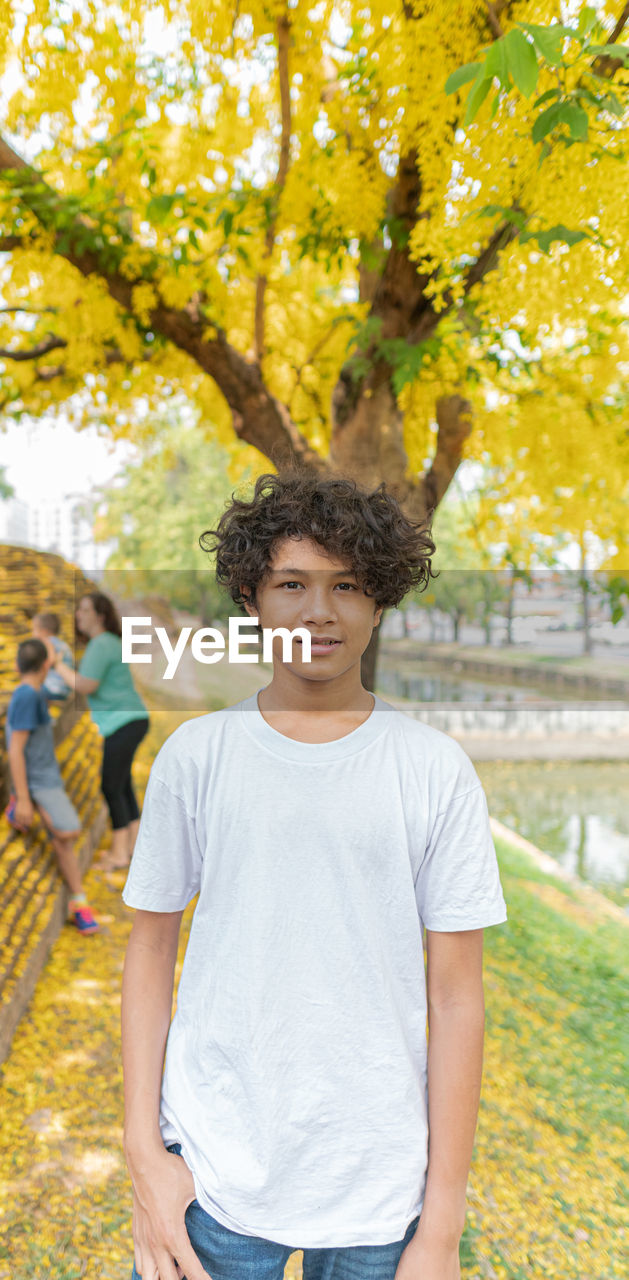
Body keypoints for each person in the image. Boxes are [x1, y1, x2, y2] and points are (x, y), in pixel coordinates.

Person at [120, 473, 507, 1280]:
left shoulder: (433, 770)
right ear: (250, 598)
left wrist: (441, 1224)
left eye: (347, 586)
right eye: (290, 583)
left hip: (380, 1193)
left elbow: (456, 996)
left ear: (379, 602)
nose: (317, 611)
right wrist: (143, 1157)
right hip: (213, 1181)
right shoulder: (197, 758)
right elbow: (151, 953)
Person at [5, 637, 99, 935]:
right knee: (67, 831)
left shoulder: (35, 693)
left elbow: (62, 690)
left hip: (48, 779)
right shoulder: (26, 697)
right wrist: (23, 798)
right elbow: (15, 748)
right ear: (46, 664)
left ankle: (79, 902)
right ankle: (79, 902)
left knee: (64, 842)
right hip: (38, 783)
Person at [53, 592, 149, 873]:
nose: (78, 615)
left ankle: (119, 854)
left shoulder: (102, 643)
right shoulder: (109, 642)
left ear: (100, 615)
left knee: (110, 785)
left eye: (84, 610)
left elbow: (85, 685)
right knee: (122, 784)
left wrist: (57, 666)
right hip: (131, 719)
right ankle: (134, 847)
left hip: (124, 720)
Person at [32, 610, 75, 701]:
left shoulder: (47, 642)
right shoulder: (63, 644)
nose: (32, 634)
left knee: (30, 691)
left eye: (34, 629)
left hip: (54, 689)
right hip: (66, 690)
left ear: (43, 631)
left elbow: (51, 660)